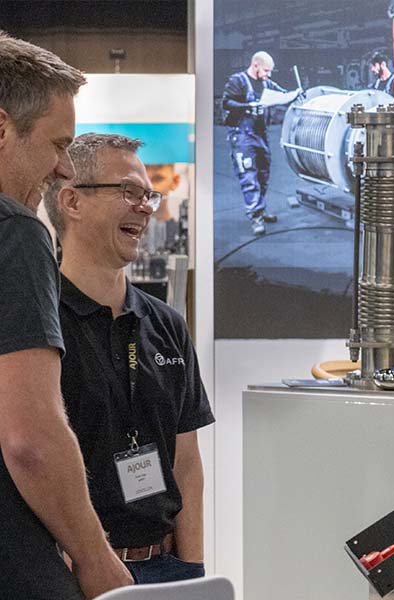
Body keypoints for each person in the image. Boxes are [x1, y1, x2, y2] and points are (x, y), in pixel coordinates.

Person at [43, 133, 215, 583]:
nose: (145, 206)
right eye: (128, 191)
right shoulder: (39, 325)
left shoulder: (166, 325)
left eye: (148, 195)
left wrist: (192, 570)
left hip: (165, 566)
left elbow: (186, 461)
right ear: (72, 202)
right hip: (74, 574)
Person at [0, 33, 134, 599]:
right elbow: (30, 438)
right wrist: (95, 556)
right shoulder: (15, 232)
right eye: (57, 145)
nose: (63, 169)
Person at [222, 50, 289, 236]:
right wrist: (247, 106)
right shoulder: (238, 81)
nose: (269, 74)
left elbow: (282, 93)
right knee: (249, 176)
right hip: (242, 135)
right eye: (266, 70)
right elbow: (226, 102)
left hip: (260, 135)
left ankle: (261, 208)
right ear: (255, 65)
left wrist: (295, 95)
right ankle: (255, 216)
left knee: (263, 174)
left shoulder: (266, 83)